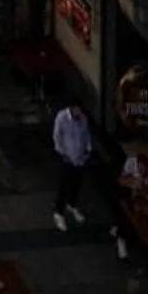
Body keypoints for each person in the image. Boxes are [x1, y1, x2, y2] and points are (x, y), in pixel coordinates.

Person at [52, 98, 94, 229]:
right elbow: (57, 136)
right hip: (67, 158)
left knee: (77, 184)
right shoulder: (62, 118)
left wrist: (88, 150)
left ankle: (72, 205)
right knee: (64, 185)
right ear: (72, 108)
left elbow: (86, 135)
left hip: (80, 158)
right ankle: (59, 213)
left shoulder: (83, 119)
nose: (79, 112)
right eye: (77, 110)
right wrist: (62, 153)